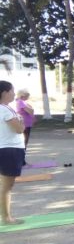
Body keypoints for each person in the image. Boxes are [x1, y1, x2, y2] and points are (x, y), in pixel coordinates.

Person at [0, 81, 25, 225]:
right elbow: (19, 129)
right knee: (7, 186)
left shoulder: (6, 108)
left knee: (5, 185)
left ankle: (6, 216)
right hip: (9, 150)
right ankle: (6, 217)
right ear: (4, 92)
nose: (14, 94)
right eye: (12, 91)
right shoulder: (4, 110)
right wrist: (20, 123)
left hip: (8, 148)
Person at [15, 89, 34, 165]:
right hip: (24, 124)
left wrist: (30, 108)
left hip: (27, 124)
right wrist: (31, 108)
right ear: (22, 95)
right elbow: (31, 111)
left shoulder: (22, 102)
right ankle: (21, 161)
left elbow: (30, 110)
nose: (28, 97)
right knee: (23, 142)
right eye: (27, 95)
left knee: (24, 142)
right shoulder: (20, 102)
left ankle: (22, 160)